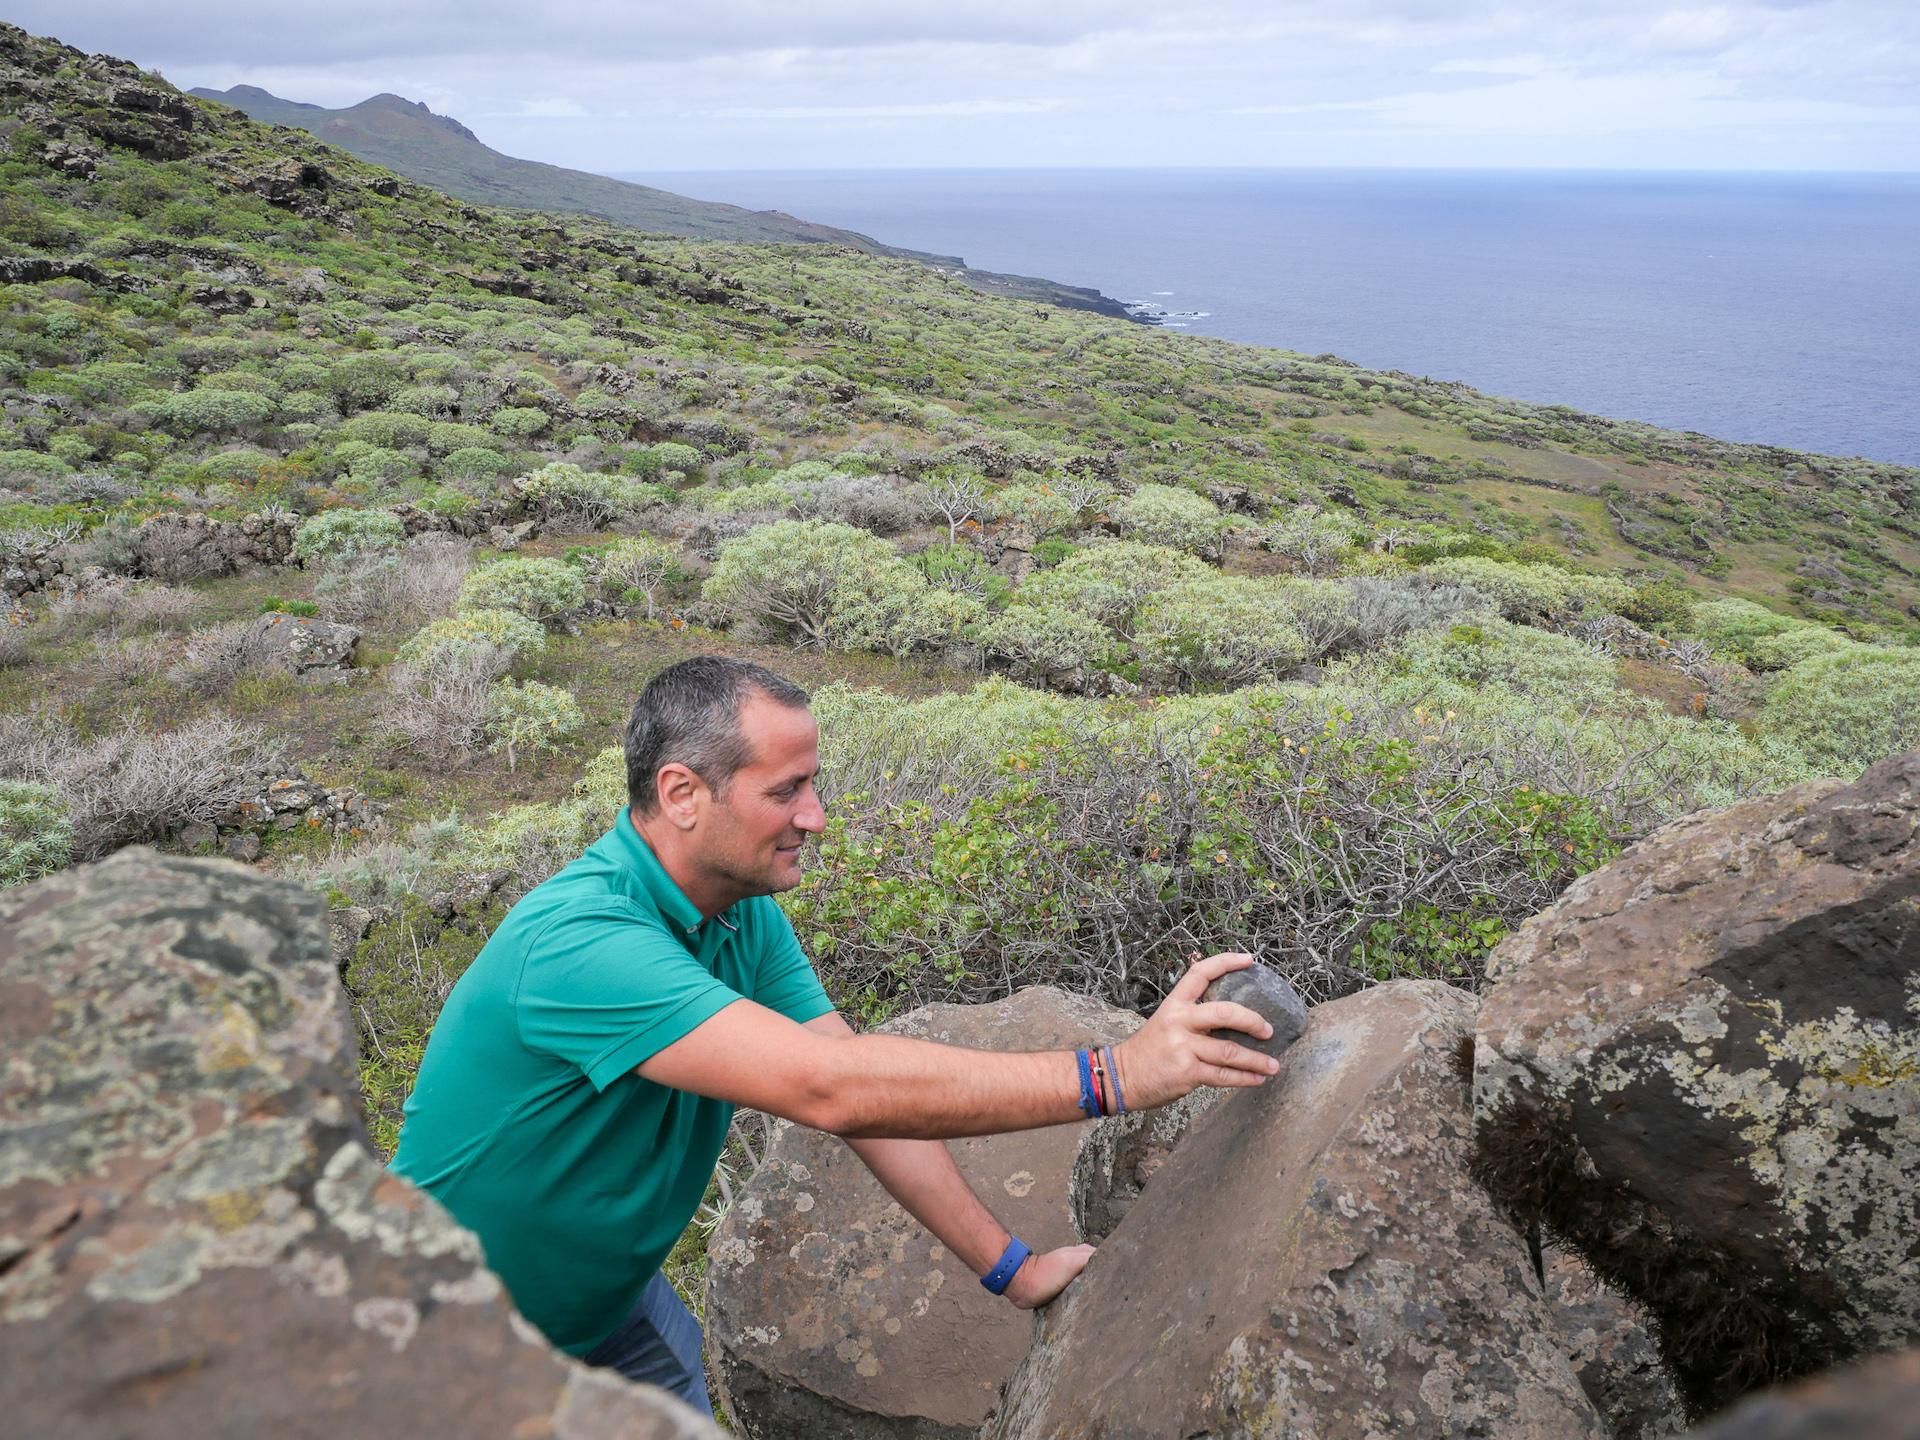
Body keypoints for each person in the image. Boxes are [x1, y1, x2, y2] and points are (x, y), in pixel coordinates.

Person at [389, 656, 1279, 1416]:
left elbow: (859, 1100)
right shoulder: (581, 944)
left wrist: (1010, 1267)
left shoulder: (737, 916)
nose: (814, 816)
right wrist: (1115, 1075)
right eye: (785, 790)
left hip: (602, 1315)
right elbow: (828, 1087)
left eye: (812, 785)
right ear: (681, 794)